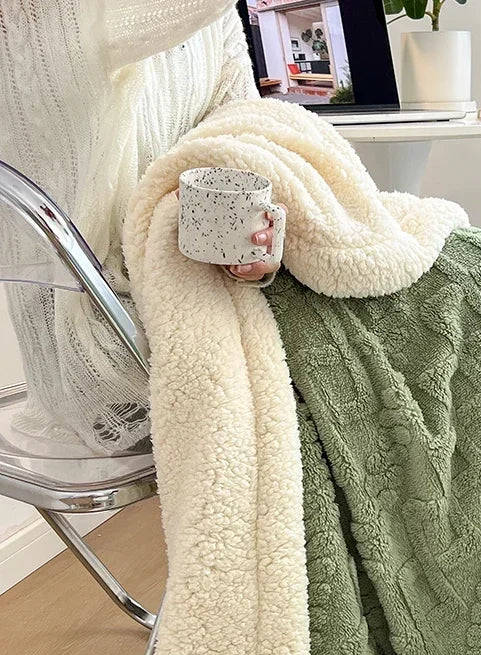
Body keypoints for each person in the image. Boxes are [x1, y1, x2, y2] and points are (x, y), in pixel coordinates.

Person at [0, 1, 282, 454]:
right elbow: (111, 28)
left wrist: (254, 233)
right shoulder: (36, 13)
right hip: (101, 340)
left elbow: (243, 131)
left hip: (206, 288)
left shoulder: (216, 20)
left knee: (414, 288)